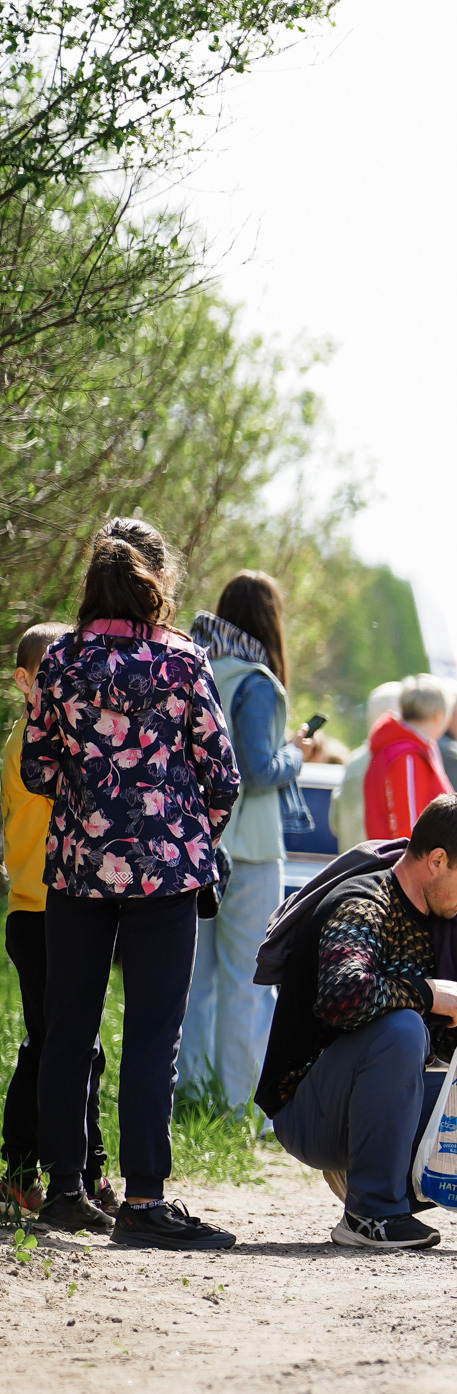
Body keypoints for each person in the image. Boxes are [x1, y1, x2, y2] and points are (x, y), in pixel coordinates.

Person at [26, 518, 242, 1248]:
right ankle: (146, 1201)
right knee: (154, 1035)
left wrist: (88, 800)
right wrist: (188, 831)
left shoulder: (60, 657)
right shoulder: (182, 661)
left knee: (68, 1029)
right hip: (166, 871)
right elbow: (224, 774)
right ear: (156, 585)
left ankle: (63, 1188)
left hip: (78, 867)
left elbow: (36, 769)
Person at [255, 794, 457, 1249]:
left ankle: (384, 1183)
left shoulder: (444, 915)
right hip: (314, 1110)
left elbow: (435, 1050)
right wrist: (429, 994)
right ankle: (371, 1212)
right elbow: (341, 998)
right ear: (438, 860)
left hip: (389, 1102)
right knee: (401, 1026)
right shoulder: (363, 902)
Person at [180, 573, 316, 1113]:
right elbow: (258, 771)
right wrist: (299, 752)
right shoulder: (259, 681)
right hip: (252, 848)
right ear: (268, 620)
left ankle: (188, 1095)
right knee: (250, 982)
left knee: (196, 985)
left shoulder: (196, 666)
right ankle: (239, 1106)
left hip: (197, 844)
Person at [0, 624, 110, 1215]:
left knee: (75, 1046)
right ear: (25, 681)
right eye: (54, 672)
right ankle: (26, 1169)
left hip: (59, 909)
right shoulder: (29, 744)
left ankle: (83, 1173)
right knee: (56, 1046)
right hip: (40, 911)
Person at [365, 675, 454, 841]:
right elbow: (409, 829)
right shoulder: (407, 758)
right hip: (409, 863)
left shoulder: (414, 748)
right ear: (438, 714)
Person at [334, 680, 402, 850]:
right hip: (379, 867)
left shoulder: (354, 761)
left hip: (350, 864)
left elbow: (335, 821)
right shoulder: (395, 761)